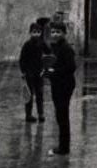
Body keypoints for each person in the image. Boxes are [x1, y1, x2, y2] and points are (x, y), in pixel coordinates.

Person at [45, 21, 76, 155]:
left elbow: (71, 68)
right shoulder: (54, 47)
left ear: (64, 33)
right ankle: (63, 145)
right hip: (57, 83)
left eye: (58, 32)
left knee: (62, 115)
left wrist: (53, 72)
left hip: (65, 84)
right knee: (60, 115)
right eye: (53, 32)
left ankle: (64, 148)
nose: (55, 34)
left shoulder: (66, 48)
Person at [19, 22, 50, 123]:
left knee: (40, 93)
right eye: (34, 32)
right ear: (30, 32)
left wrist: (46, 66)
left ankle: (41, 114)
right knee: (29, 94)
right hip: (29, 72)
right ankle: (28, 115)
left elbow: (49, 53)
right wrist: (23, 71)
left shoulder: (42, 43)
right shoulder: (27, 44)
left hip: (39, 71)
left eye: (38, 32)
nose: (36, 34)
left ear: (41, 33)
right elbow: (22, 59)